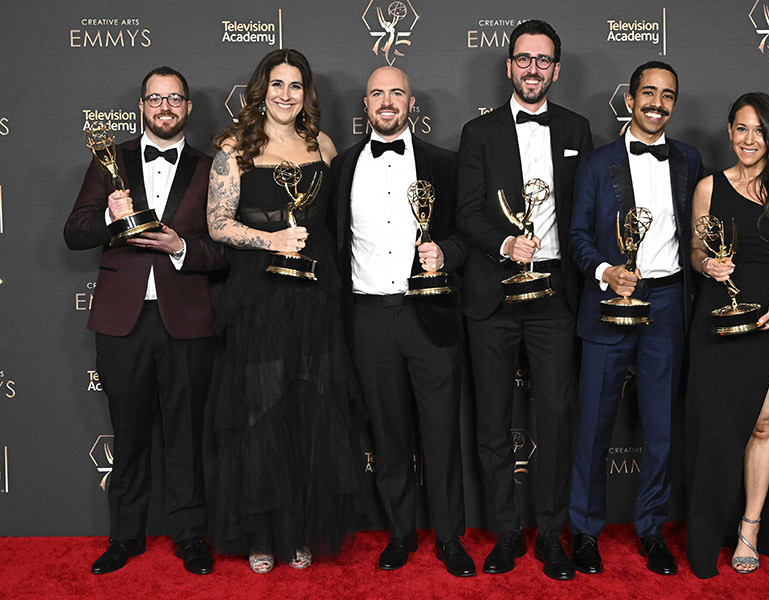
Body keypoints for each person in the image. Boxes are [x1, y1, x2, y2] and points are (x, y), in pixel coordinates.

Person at [64, 66, 227, 575]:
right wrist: (111, 216)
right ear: (141, 105)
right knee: (128, 434)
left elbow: (226, 248)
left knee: (188, 435)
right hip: (121, 322)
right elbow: (75, 233)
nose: (165, 107)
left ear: (188, 108)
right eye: (155, 99)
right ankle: (126, 536)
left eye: (174, 99)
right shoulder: (108, 160)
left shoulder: (212, 166)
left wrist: (182, 247)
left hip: (188, 320)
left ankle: (189, 535)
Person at [204, 49, 359, 574]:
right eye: (277, 84)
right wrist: (271, 239)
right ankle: (261, 532)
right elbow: (218, 224)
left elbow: (339, 221)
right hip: (259, 296)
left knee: (309, 409)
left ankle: (297, 528)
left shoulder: (323, 146)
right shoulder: (235, 148)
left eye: (296, 86)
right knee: (261, 413)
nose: (285, 94)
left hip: (315, 294)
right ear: (261, 89)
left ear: (306, 93)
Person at [456, 19, 592, 580]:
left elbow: (584, 213)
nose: (533, 68)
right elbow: (466, 214)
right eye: (523, 59)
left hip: (555, 298)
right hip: (492, 297)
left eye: (543, 60)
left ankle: (553, 536)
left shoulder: (578, 129)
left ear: (555, 70)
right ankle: (507, 534)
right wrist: (505, 242)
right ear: (509, 66)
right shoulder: (478, 132)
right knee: (492, 423)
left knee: (556, 420)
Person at [331, 66, 473, 577]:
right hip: (368, 316)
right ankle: (401, 532)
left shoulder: (444, 164)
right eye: (377, 93)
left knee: (441, 433)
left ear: (412, 103)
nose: (387, 101)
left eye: (397, 93)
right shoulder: (342, 167)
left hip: (429, 313)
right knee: (388, 435)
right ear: (364, 105)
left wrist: (446, 255)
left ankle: (451, 538)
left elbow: (466, 234)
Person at [568, 61, 703, 576]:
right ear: (629, 100)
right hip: (609, 300)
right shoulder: (597, 163)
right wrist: (606, 271)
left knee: (662, 428)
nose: (657, 103)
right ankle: (584, 532)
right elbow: (578, 235)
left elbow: (697, 232)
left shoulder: (689, 158)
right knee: (592, 428)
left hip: (668, 302)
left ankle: (651, 531)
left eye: (668, 96)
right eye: (648, 93)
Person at [684, 92, 769, 578]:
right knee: (716, 427)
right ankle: (705, 529)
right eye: (741, 128)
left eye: (760, 130)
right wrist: (706, 264)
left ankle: (751, 528)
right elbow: (697, 251)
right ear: (729, 131)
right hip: (717, 317)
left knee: (764, 421)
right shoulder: (707, 188)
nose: (749, 139)